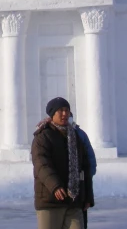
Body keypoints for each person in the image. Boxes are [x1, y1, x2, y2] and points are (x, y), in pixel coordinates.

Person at [32, 97, 94, 229]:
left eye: (67, 110)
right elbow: (41, 164)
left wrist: (88, 196)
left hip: (73, 200)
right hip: (50, 201)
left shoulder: (75, 136)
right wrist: (55, 186)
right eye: (60, 110)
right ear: (52, 113)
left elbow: (84, 167)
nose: (65, 114)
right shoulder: (42, 137)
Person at [69, 112, 96, 229]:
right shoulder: (53, 134)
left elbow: (90, 158)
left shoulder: (80, 134)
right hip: (64, 186)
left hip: (80, 183)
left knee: (80, 221)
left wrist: (88, 176)